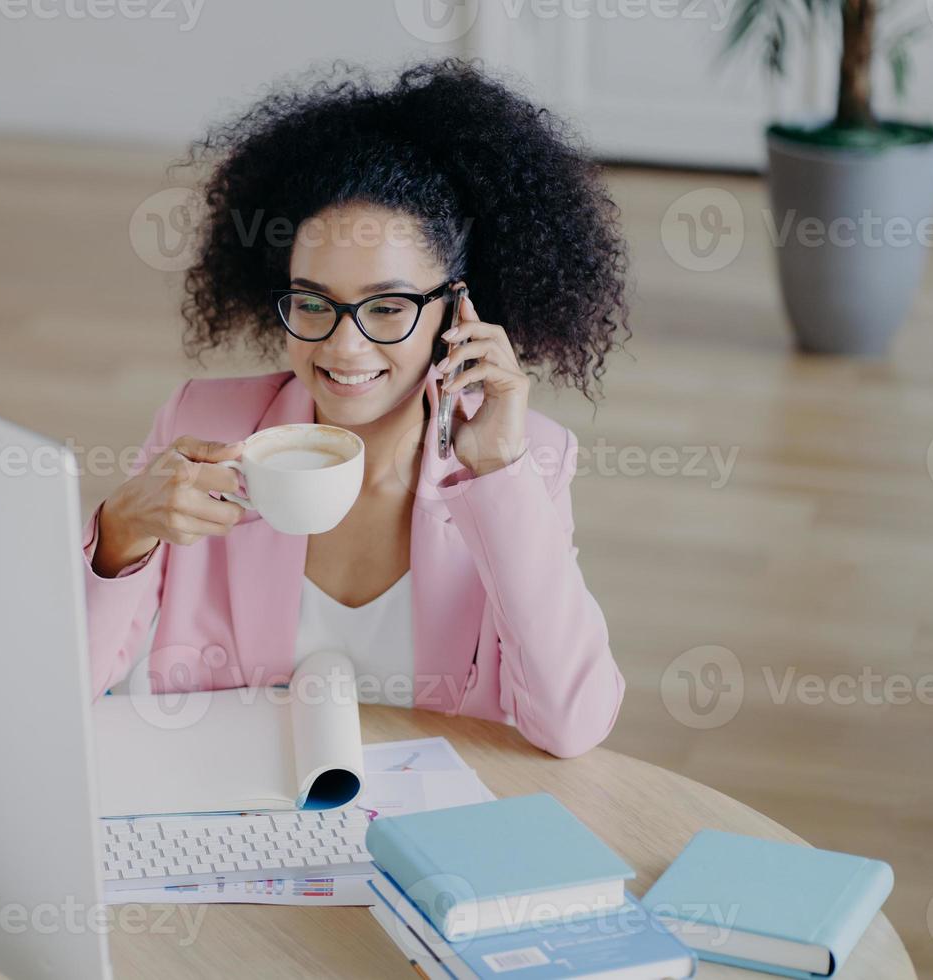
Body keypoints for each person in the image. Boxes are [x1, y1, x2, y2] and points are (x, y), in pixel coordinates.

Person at [83, 60, 629, 758]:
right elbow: (64, 693)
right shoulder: (207, 428)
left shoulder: (524, 461)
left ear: (458, 309)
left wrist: (496, 471)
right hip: (242, 824)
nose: (343, 347)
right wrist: (120, 536)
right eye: (312, 302)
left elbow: (570, 723)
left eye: (389, 306)